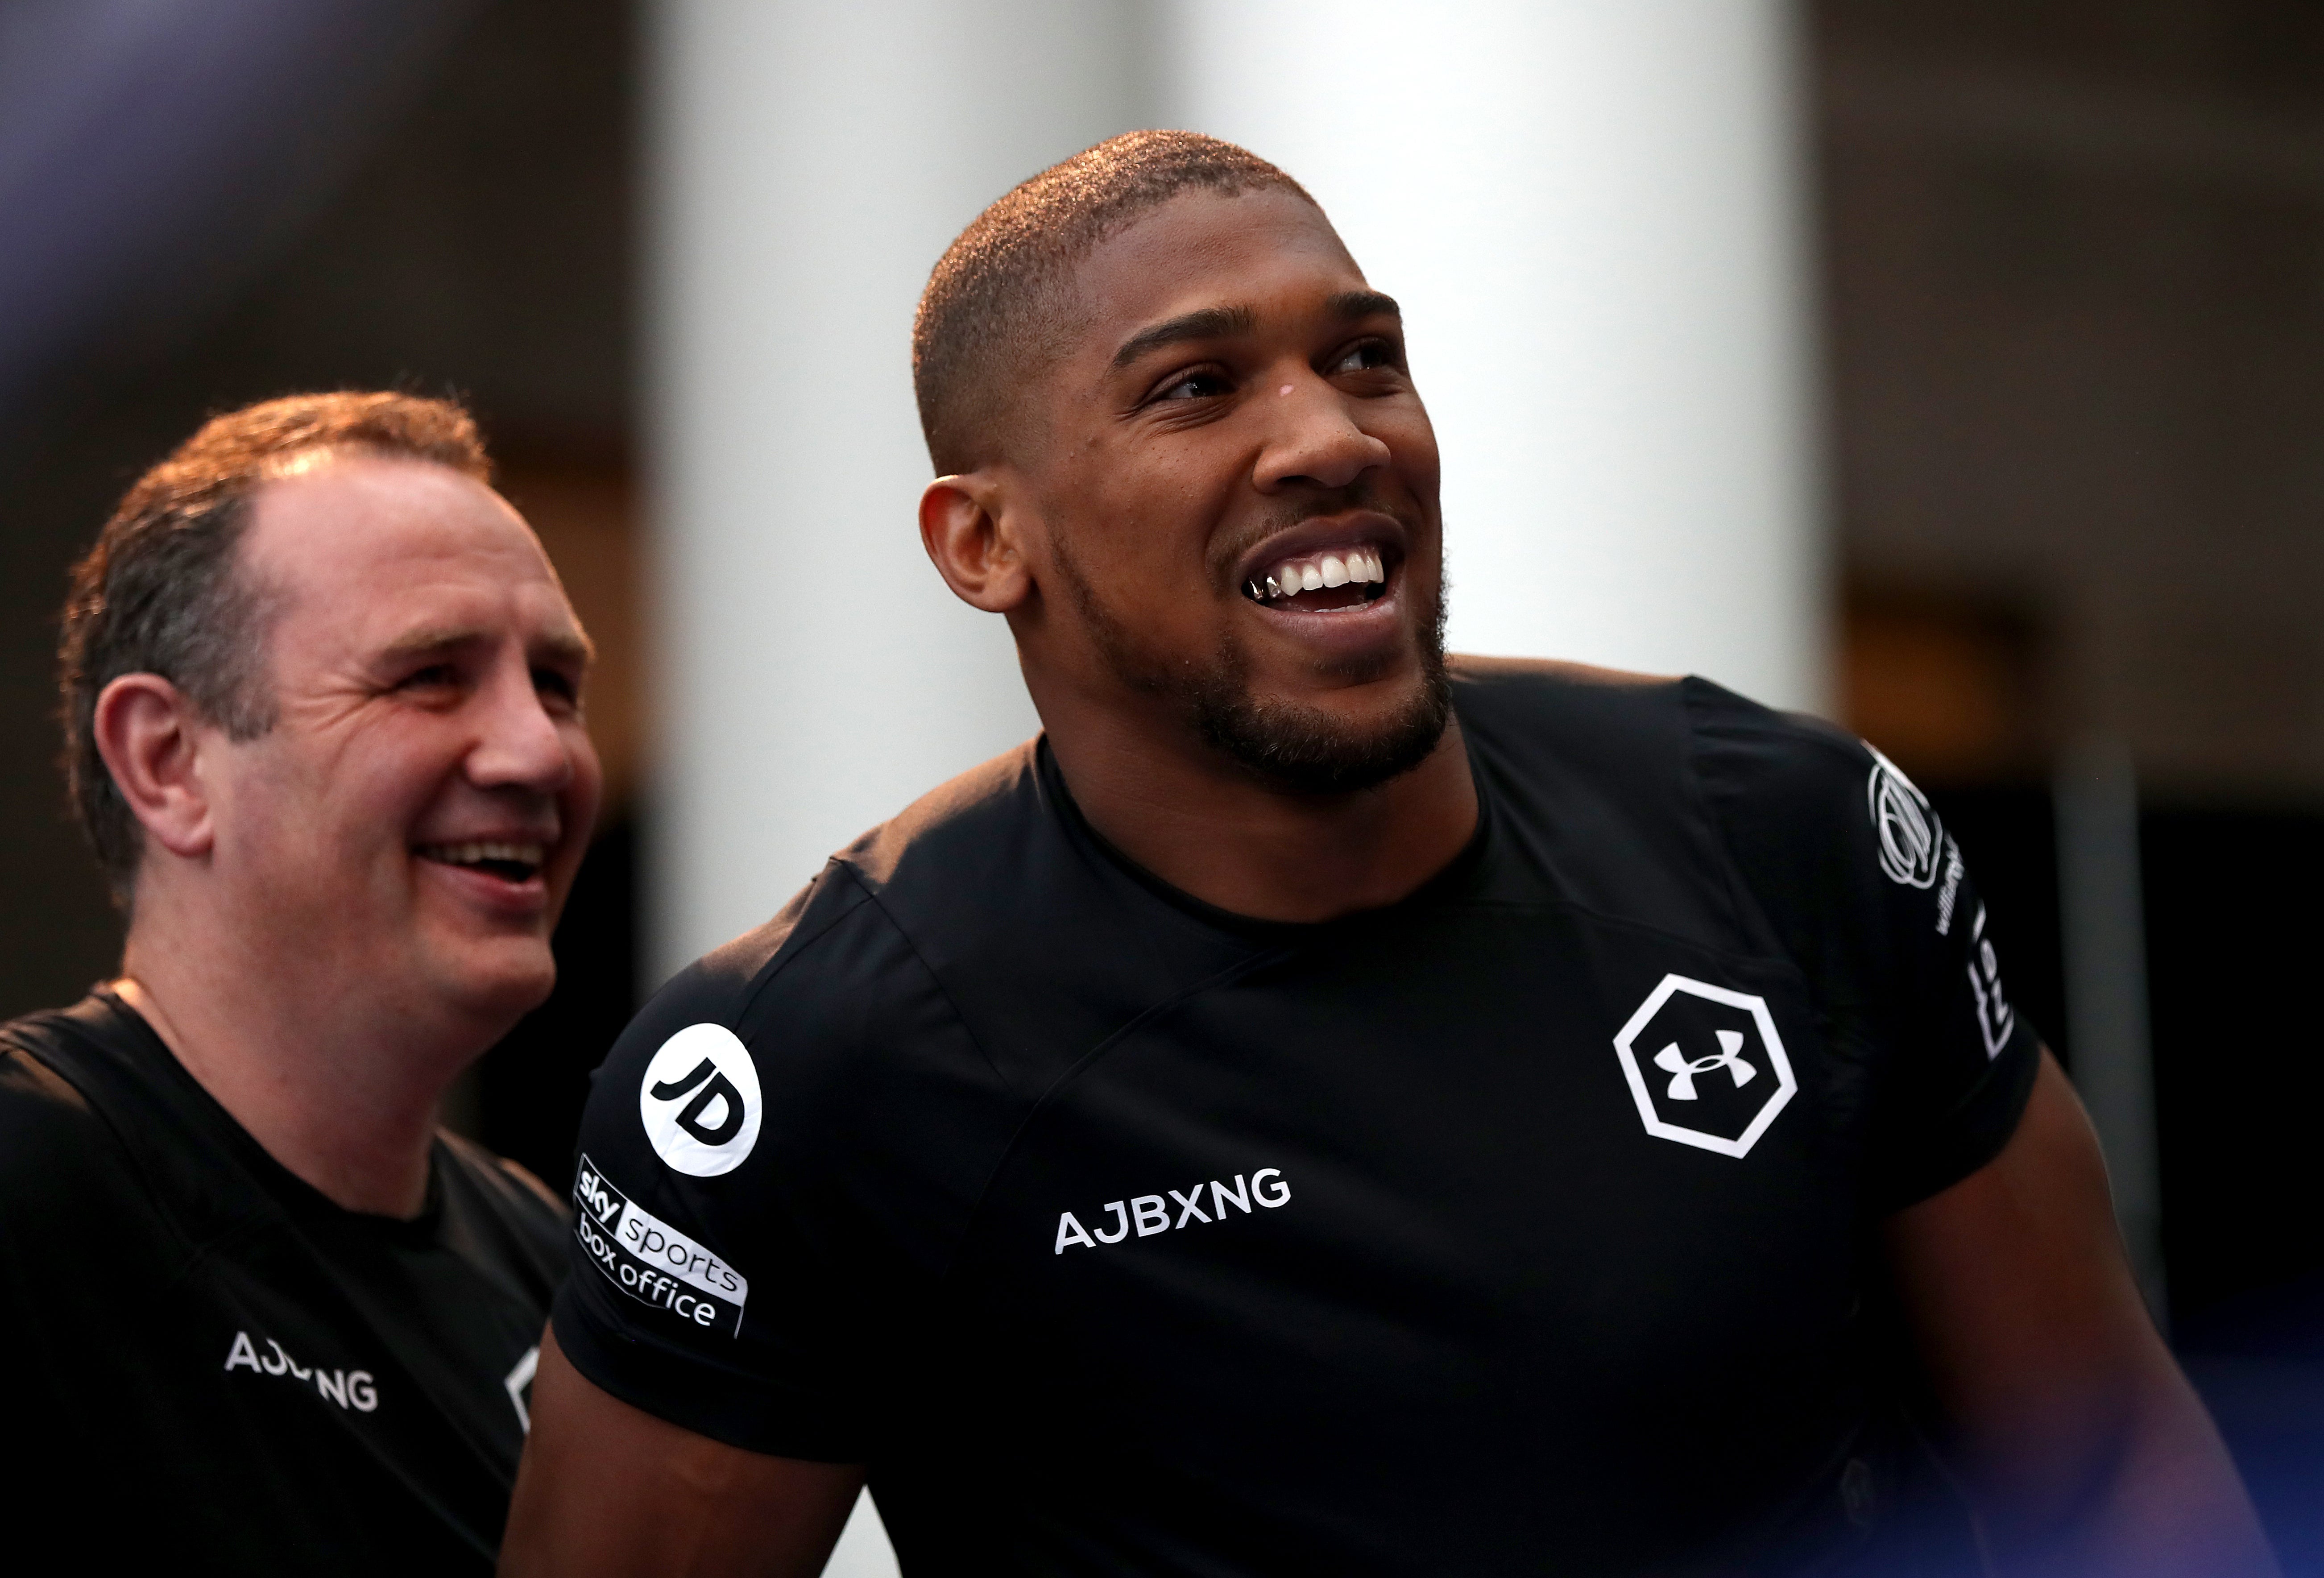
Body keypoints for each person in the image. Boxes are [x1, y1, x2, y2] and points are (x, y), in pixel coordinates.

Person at [502, 133, 2273, 1576]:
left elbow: (2110, 1469)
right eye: (1196, 389)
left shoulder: (1771, 835)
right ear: (984, 544)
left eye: (1363, 358)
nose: (1334, 437)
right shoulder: (819, 1059)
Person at [0, 393, 603, 1574]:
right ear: (170, 763)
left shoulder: (555, 1271)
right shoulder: (31, 1189)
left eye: (558, 685)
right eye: (429, 676)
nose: (538, 751)